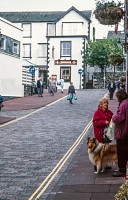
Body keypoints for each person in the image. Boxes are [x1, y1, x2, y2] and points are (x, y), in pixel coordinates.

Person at [112, 90, 128, 177]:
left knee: (121, 151)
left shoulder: (123, 105)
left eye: (117, 96)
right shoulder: (126, 102)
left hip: (122, 131)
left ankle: (122, 169)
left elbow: (119, 118)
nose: (116, 98)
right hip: (125, 130)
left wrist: (113, 116)